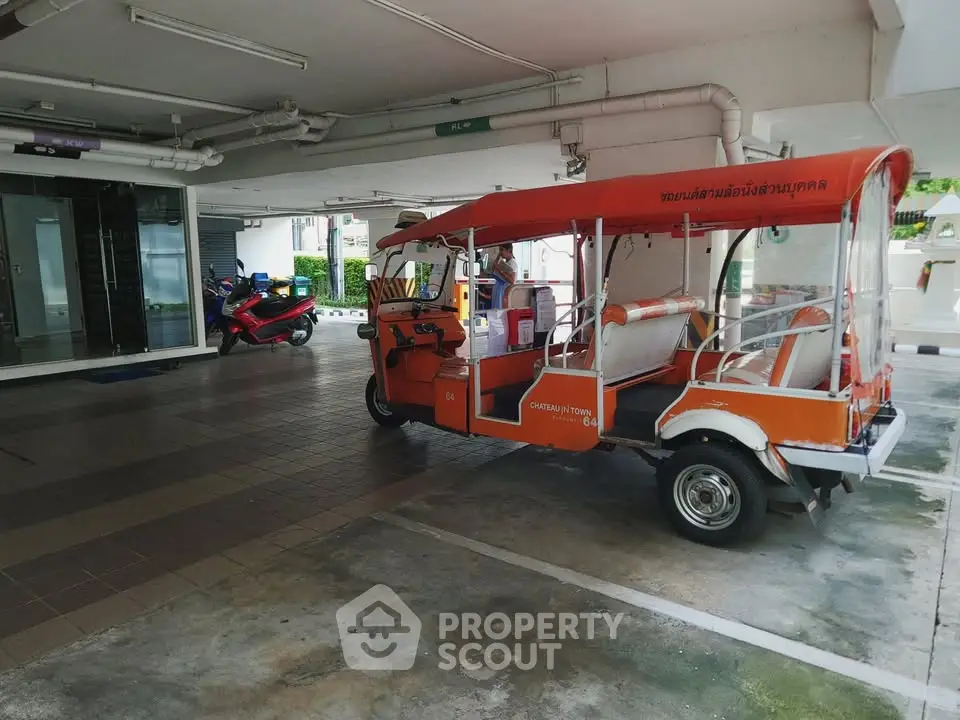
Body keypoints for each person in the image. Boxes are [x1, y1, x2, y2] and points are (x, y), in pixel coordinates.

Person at [491, 243, 519, 308]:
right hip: (499, 290)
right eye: (499, 250)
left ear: (509, 250)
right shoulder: (505, 263)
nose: (500, 252)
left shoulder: (512, 263)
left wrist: (500, 271)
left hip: (504, 291)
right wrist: (498, 256)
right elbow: (493, 269)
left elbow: (512, 280)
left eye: (501, 250)